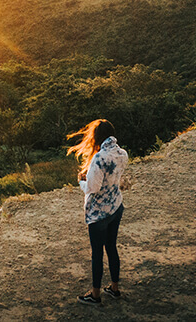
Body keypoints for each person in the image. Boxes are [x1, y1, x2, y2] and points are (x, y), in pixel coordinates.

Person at [67, 119, 129, 306]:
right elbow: (112, 179)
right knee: (111, 248)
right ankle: (114, 289)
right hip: (116, 207)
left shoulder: (99, 158)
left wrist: (81, 181)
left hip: (99, 213)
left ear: (97, 137)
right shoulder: (122, 153)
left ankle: (95, 295)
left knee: (97, 254)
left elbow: (92, 188)